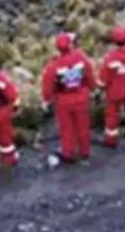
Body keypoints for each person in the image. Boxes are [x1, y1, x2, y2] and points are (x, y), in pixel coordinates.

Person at [39, 32, 97, 164]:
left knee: (66, 128)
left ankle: (68, 152)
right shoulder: (81, 58)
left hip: (63, 101)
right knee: (83, 125)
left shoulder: (54, 65)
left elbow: (48, 84)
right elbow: (89, 74)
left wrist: (47, 100)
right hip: (81, 97)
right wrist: (93, 88)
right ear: (70, 45)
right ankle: (85, 151)